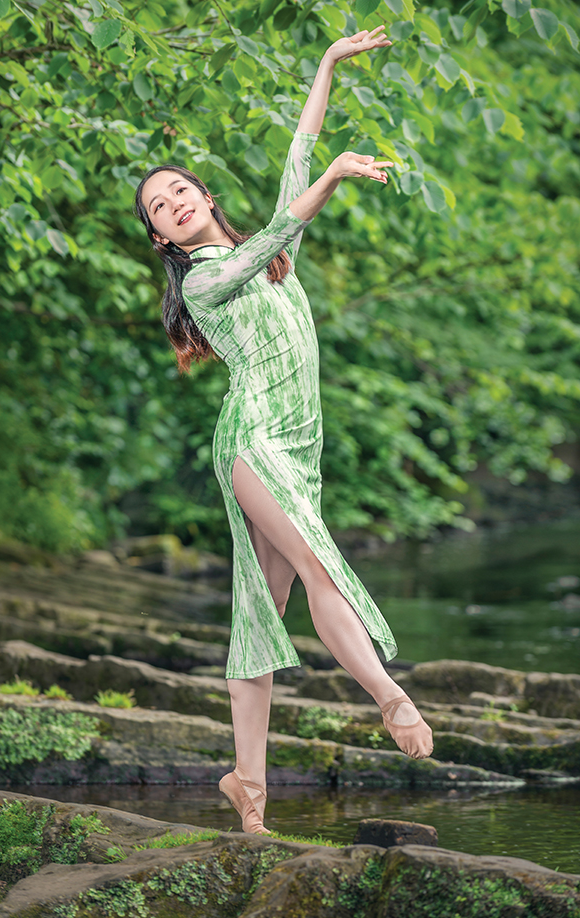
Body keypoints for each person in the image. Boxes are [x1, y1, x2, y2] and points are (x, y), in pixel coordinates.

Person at [134, 26, 433, 835]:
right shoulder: (206, 280)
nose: (177, 201)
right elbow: (283, 221)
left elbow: (297, 156)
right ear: (162, 237)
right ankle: (390, 698)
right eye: (161, 206)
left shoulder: (261, 256)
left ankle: (248, 784)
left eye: (180, 188)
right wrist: (336, 176)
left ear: (202, 195)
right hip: (253, 442)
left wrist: (328, 64)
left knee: (260, 609)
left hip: (300, 447)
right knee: (314, 565)